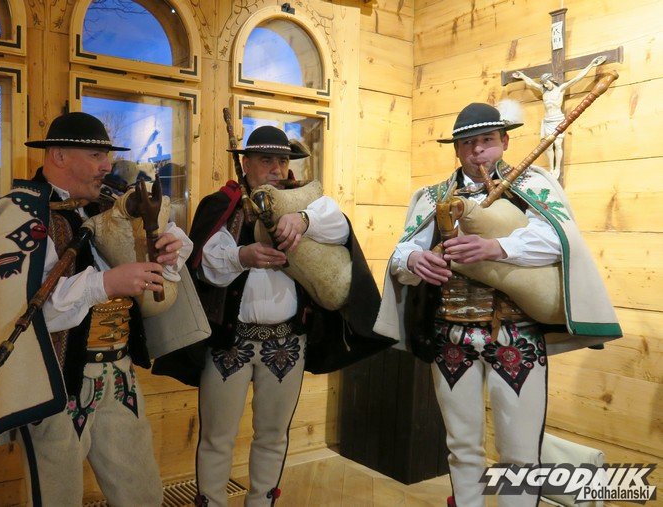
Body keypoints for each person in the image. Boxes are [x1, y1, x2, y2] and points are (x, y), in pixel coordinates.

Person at [0, 112, 192, 506]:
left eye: (106, 156)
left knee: (143, 495)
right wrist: (107, 283)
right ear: (58, 155)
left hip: (119, 376)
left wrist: (170, 250)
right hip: (55, 382)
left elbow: (169, 252)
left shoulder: (111, 206)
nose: (107, 165)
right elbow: (25, 312)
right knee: (58, 498)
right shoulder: (20, 214)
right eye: (95, 155)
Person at [374, 103, 621, 507]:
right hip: (450, 334)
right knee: (461, 446)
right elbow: (402, 252)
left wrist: (498, 247)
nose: (477, 151)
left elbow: (559, 240)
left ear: (505, 141)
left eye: (486, 140)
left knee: (520, 453)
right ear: (456, 149)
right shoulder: (433, 196)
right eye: (467, 143)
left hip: (515, 333)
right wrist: (414, 259)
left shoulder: (533, 185)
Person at [154, 125, 390, 506]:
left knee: (274, 435)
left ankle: (261, 503)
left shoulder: (307, 202)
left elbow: (340, 226)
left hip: (287, 343)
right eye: (266, 160)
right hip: (231, 343)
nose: (277, 168)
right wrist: (241, 256)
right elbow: (205, 263)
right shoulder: (224, 204)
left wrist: (304, 220)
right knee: (217, 437)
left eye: (282, 160)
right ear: (246, 164)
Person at [511, 55, 606, 181]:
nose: (545, 85)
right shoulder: (544, 91)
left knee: (558, 144)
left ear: (551, 80)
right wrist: (523, 76)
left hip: (557, 119)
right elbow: (531, 83)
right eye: (544, 84)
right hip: (547, 120)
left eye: (546, 83)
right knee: (548, 146)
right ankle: (551, 168)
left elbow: (577, 78)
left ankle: (557, 168)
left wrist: (590, 65)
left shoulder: (560, 89)